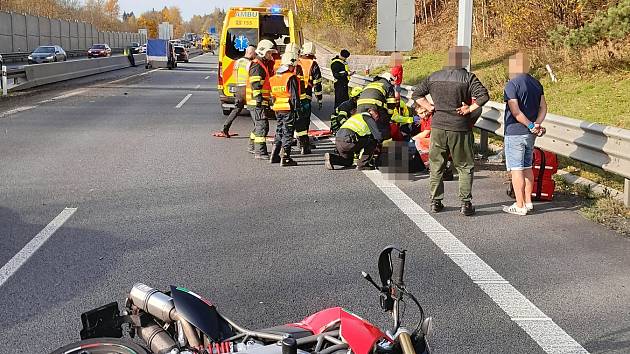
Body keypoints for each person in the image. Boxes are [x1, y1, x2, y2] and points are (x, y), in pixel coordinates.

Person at [412, 46, 489, 216]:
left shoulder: (434, 76)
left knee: (436, 165)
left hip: (438, 127)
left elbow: (417, 94)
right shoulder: (468, 77)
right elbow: (483, 96)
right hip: (459, 127)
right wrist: (469, 109)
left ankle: (436, 202)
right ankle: (465, 203)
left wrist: (430, 107)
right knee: (464, 166)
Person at [502, 52, 547, 216]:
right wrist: (536, 125)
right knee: (528, 167)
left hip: (515, 132)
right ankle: (528, 202)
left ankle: (519, 205)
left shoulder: (511, 85)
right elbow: (543, 107)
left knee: (516, 169)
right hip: (530, 135)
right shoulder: (536, 83)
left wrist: (529, 125)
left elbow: (515, 111)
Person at [214, 45, 256, 138]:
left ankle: (225, 128)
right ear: (251, 53)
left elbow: (234, 73)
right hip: (246, 88)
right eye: (255, 53)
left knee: (237, 109)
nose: (255, 55)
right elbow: (252, 76)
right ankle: (259, 130)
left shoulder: (238, 62)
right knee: (254, 109)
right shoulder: (250, 63)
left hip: (238, 88)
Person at [269, 51, 301, 167]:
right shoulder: (290, 77)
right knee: (288, 133)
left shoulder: (274, 78)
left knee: (279, 131)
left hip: (278, 108)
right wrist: (297, 110)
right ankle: (286, 158)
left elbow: (272, 95)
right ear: (290, 64)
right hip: (288, 108)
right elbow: (294, 96)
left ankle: (274, 155)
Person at [246, 39, 277, 159]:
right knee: (262, 125)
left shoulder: (261, 64)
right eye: (269, 53)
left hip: (258, 101)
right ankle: (260, 152)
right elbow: (255, 85)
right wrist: (259, 100)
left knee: (258, 125)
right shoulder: (257, 65)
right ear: (263, 52)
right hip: (256, 102)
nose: (271, 55)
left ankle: (252, 146)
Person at [296, 42, 324, 154]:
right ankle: (303, 144)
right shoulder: (313, 64)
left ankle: (299, 142)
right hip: (305, 95)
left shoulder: (296, 61)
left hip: (292, 95)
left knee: (295, 120)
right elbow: (317, 83)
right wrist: (319, 99)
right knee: (304, 119)